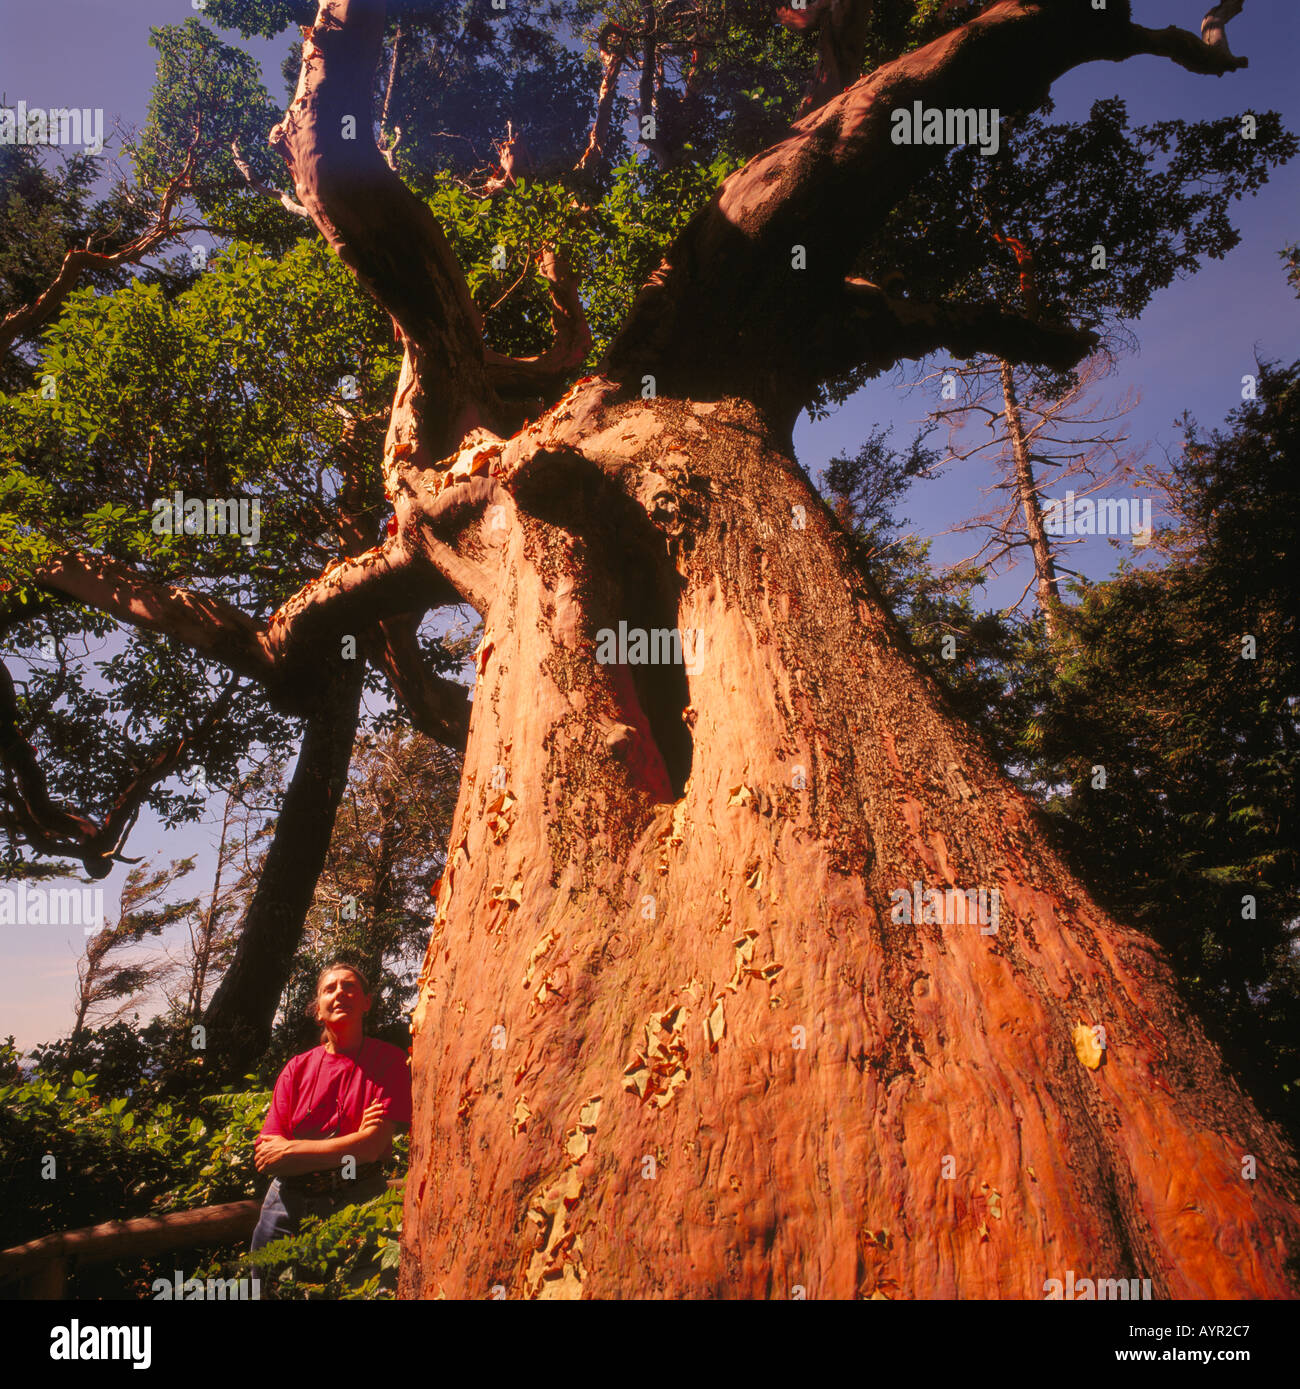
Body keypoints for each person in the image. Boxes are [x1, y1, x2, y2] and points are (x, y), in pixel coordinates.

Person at [249, 961, 412, 1252]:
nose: (340, 993)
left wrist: (291, 1149)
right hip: (285, 1203)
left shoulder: (389, 1062)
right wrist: (352, 1144)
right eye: (330, 989)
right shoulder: (297, 1068)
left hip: (358, 1198)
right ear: (318, 1010)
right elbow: (268, 1159)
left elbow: (372, 1147)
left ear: (366, 1002)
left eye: (350, 987)